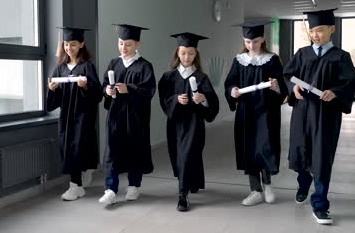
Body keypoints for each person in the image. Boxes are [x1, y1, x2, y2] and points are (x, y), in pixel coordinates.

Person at [283, 8, 355, 225]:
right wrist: (293, 88)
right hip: (302, 112)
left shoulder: (340, 57)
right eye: (312, 31)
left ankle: (320, 205)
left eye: (320, 30)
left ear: (332, 29)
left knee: (322, 157)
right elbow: (288, 75)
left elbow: (351, 83)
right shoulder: (302, 53)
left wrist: (335, 91)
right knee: (301, 152)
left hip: (326, 115)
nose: (315, 35)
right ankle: (303, 184)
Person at [224, 21, 288, 206]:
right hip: (246, 111)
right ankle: (255, 190)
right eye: (247, 41)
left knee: (265, 146)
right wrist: (233, 91)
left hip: (266, 111)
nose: (251, 45)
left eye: (256, 41)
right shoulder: (239, 60)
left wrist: (276, 87)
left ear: (263, 39)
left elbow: (282, 88)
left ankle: (267, 184)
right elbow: (230, 83)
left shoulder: (272, 59)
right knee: (249, 148)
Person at [158, 32, 219, 211]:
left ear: (196, 54)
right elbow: (164, 100)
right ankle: (191, 182)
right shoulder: (168, 77)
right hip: (175, 125)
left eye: (191, 53)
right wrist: (176, 100)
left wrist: (203, 99)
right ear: (177, 53)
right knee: (178, 157)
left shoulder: (202, 78)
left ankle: (182, 195)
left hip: (194, 124)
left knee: (187, 155)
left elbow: (213, 104)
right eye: (183, 52)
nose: (187, 56)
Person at [99, 24, 156, 205]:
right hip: (116, 116)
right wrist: (107, 91)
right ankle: (110, 189)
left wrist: (128, 89)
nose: (124, 48)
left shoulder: (145, 66)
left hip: (135, 118)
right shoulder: (113, 64)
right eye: (121, 43)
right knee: (112, 150)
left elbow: (148, 91)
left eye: (128, 44)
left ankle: (133, 186)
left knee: (134, 149)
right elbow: (104, 85)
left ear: (138, 44)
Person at [47, 27, 103, 201]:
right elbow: (52, 103)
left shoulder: (87, 67)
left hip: (83, 117)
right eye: (66, 44)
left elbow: (98, 95)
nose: (69, 48)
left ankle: (75, 186)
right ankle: (78, 181)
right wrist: (52, 90)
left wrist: (85, 86)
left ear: (81, 45)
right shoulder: (60, 69)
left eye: (73, 44)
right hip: (66, 118)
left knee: (78, 149)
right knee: (68, 150)